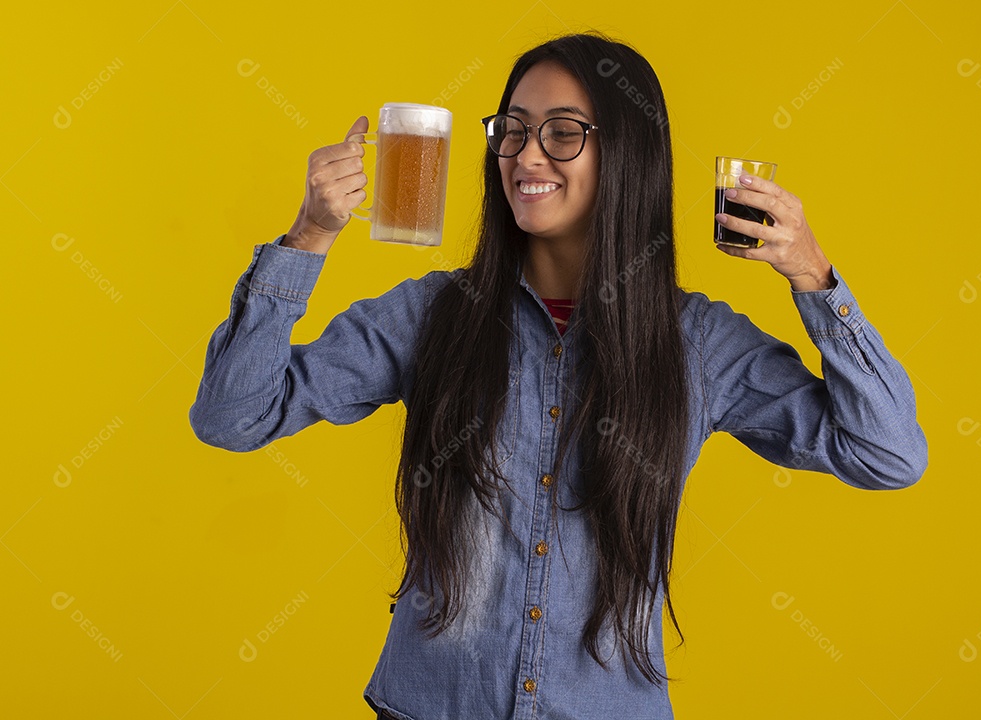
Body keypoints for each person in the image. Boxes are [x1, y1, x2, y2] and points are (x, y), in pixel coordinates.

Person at [189, 31, 927, 720]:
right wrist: (309, 235)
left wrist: (813, 275)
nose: (527, 156)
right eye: (512, 130)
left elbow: (887, 453)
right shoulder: (431, 314)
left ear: (626, 155)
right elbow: (232, 415)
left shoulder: (697, 343)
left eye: (563, 133)